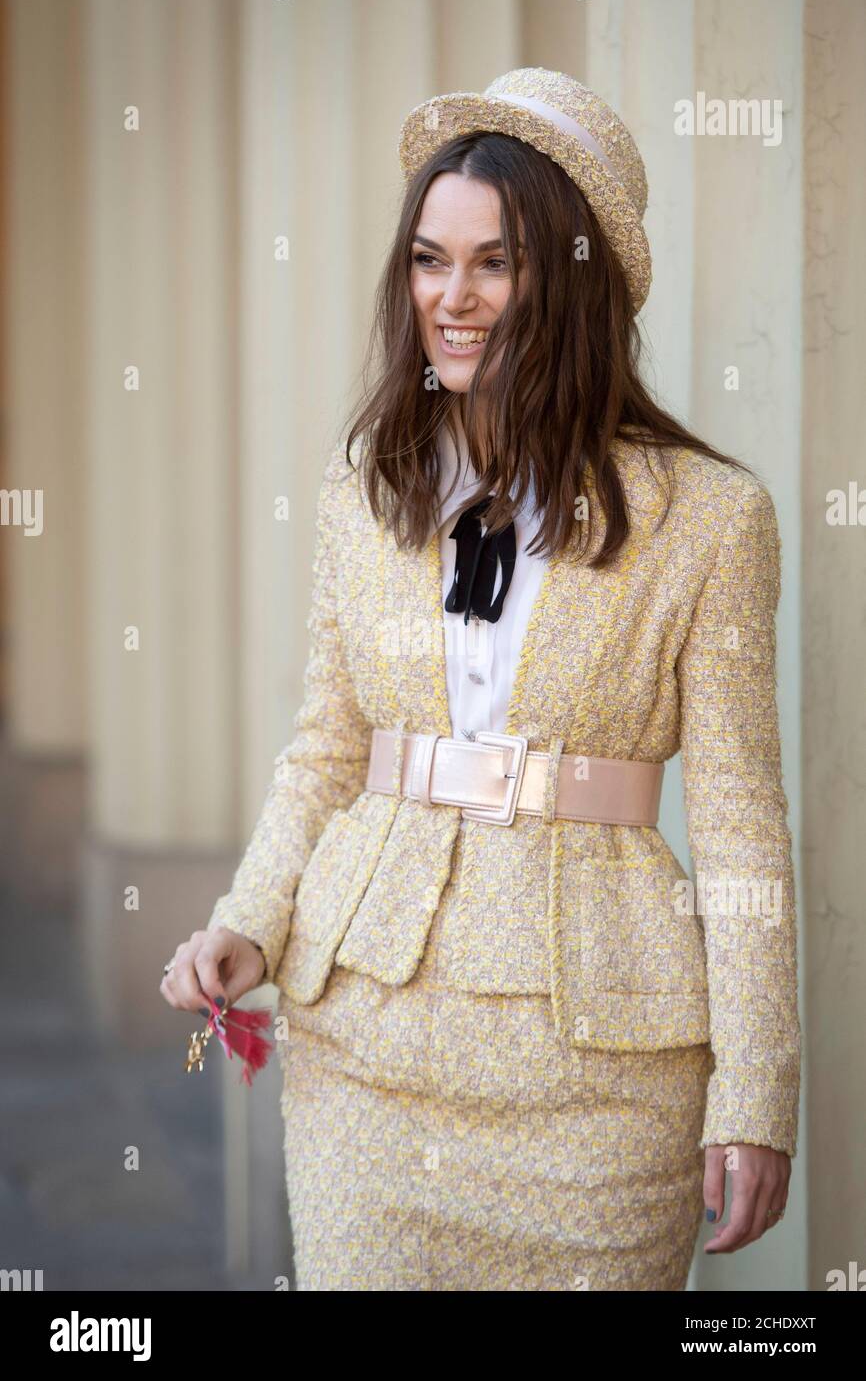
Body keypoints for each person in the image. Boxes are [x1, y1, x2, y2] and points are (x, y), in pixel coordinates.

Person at [160, 68, 801, 1290]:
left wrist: (756, 1087)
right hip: (365, 1047)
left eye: (492, 263)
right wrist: (246, 920)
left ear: (569, 278)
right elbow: (324, 752)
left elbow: (737, 821)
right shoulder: (367, 496)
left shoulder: (713, 520)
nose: (450, 299)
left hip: (600, 1079)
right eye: (425, 260)